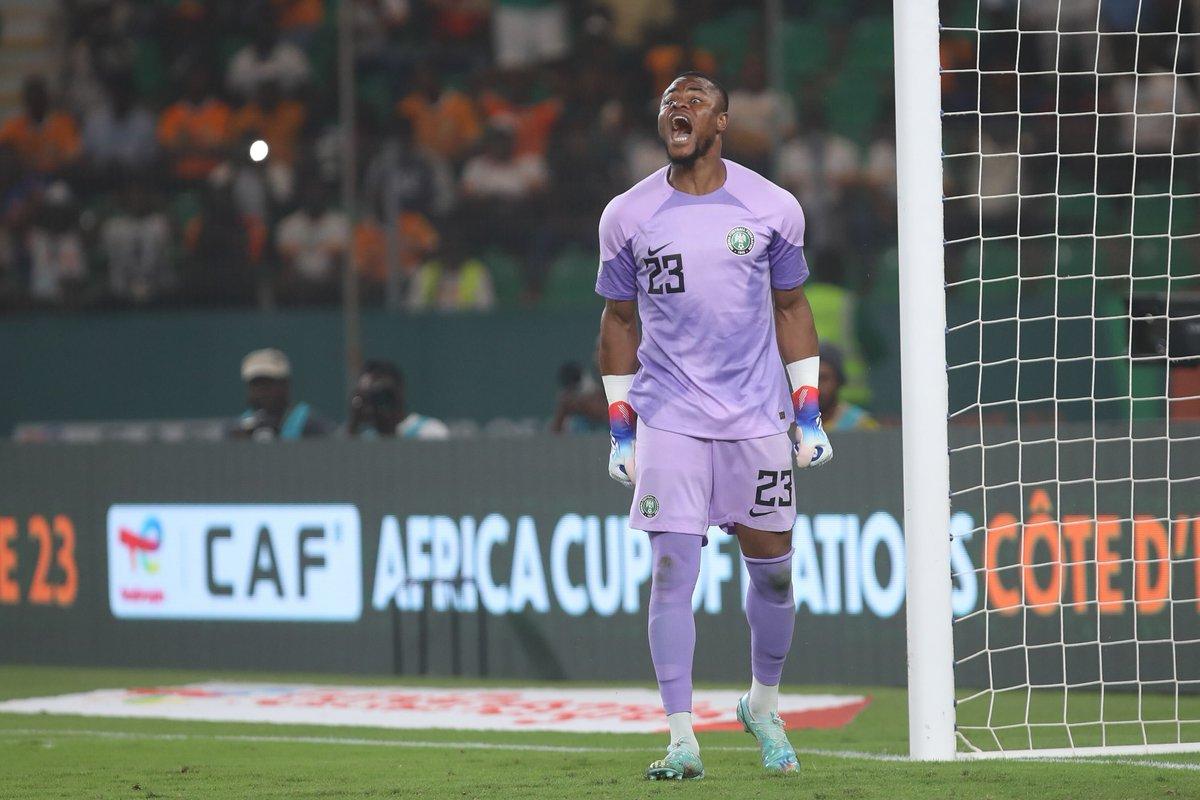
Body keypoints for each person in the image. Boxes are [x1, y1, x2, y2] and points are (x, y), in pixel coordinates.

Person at [595, 72, 831, 780]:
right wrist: (621, 429)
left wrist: (808, 411)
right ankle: (680, 737)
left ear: (722, 121)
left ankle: (762, 704)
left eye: (695, 100)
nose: (679, 108)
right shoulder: (628, 215)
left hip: (756, 418)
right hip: (670, 418)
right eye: (670, 100)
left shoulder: (771, 206)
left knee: (777, 577)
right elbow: (618, 319)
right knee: (672, 568)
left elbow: (792, 307)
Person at [231, 348, 332, 440]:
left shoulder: (310, 423)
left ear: (285, 384)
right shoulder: (241, 426)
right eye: (256, 384)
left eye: (268, 383)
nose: (262, 390)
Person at [347, 360, 449, 440]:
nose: (380, 401)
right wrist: (354, 423)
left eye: (385, 394)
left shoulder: (430, 432)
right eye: (370, 396)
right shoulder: (366, 441)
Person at [817, 342, 878, 432]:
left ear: (839, 381)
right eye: (810, 378)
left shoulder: (861, 425)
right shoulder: (791, 424)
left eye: (824, 378)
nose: (816, 386)